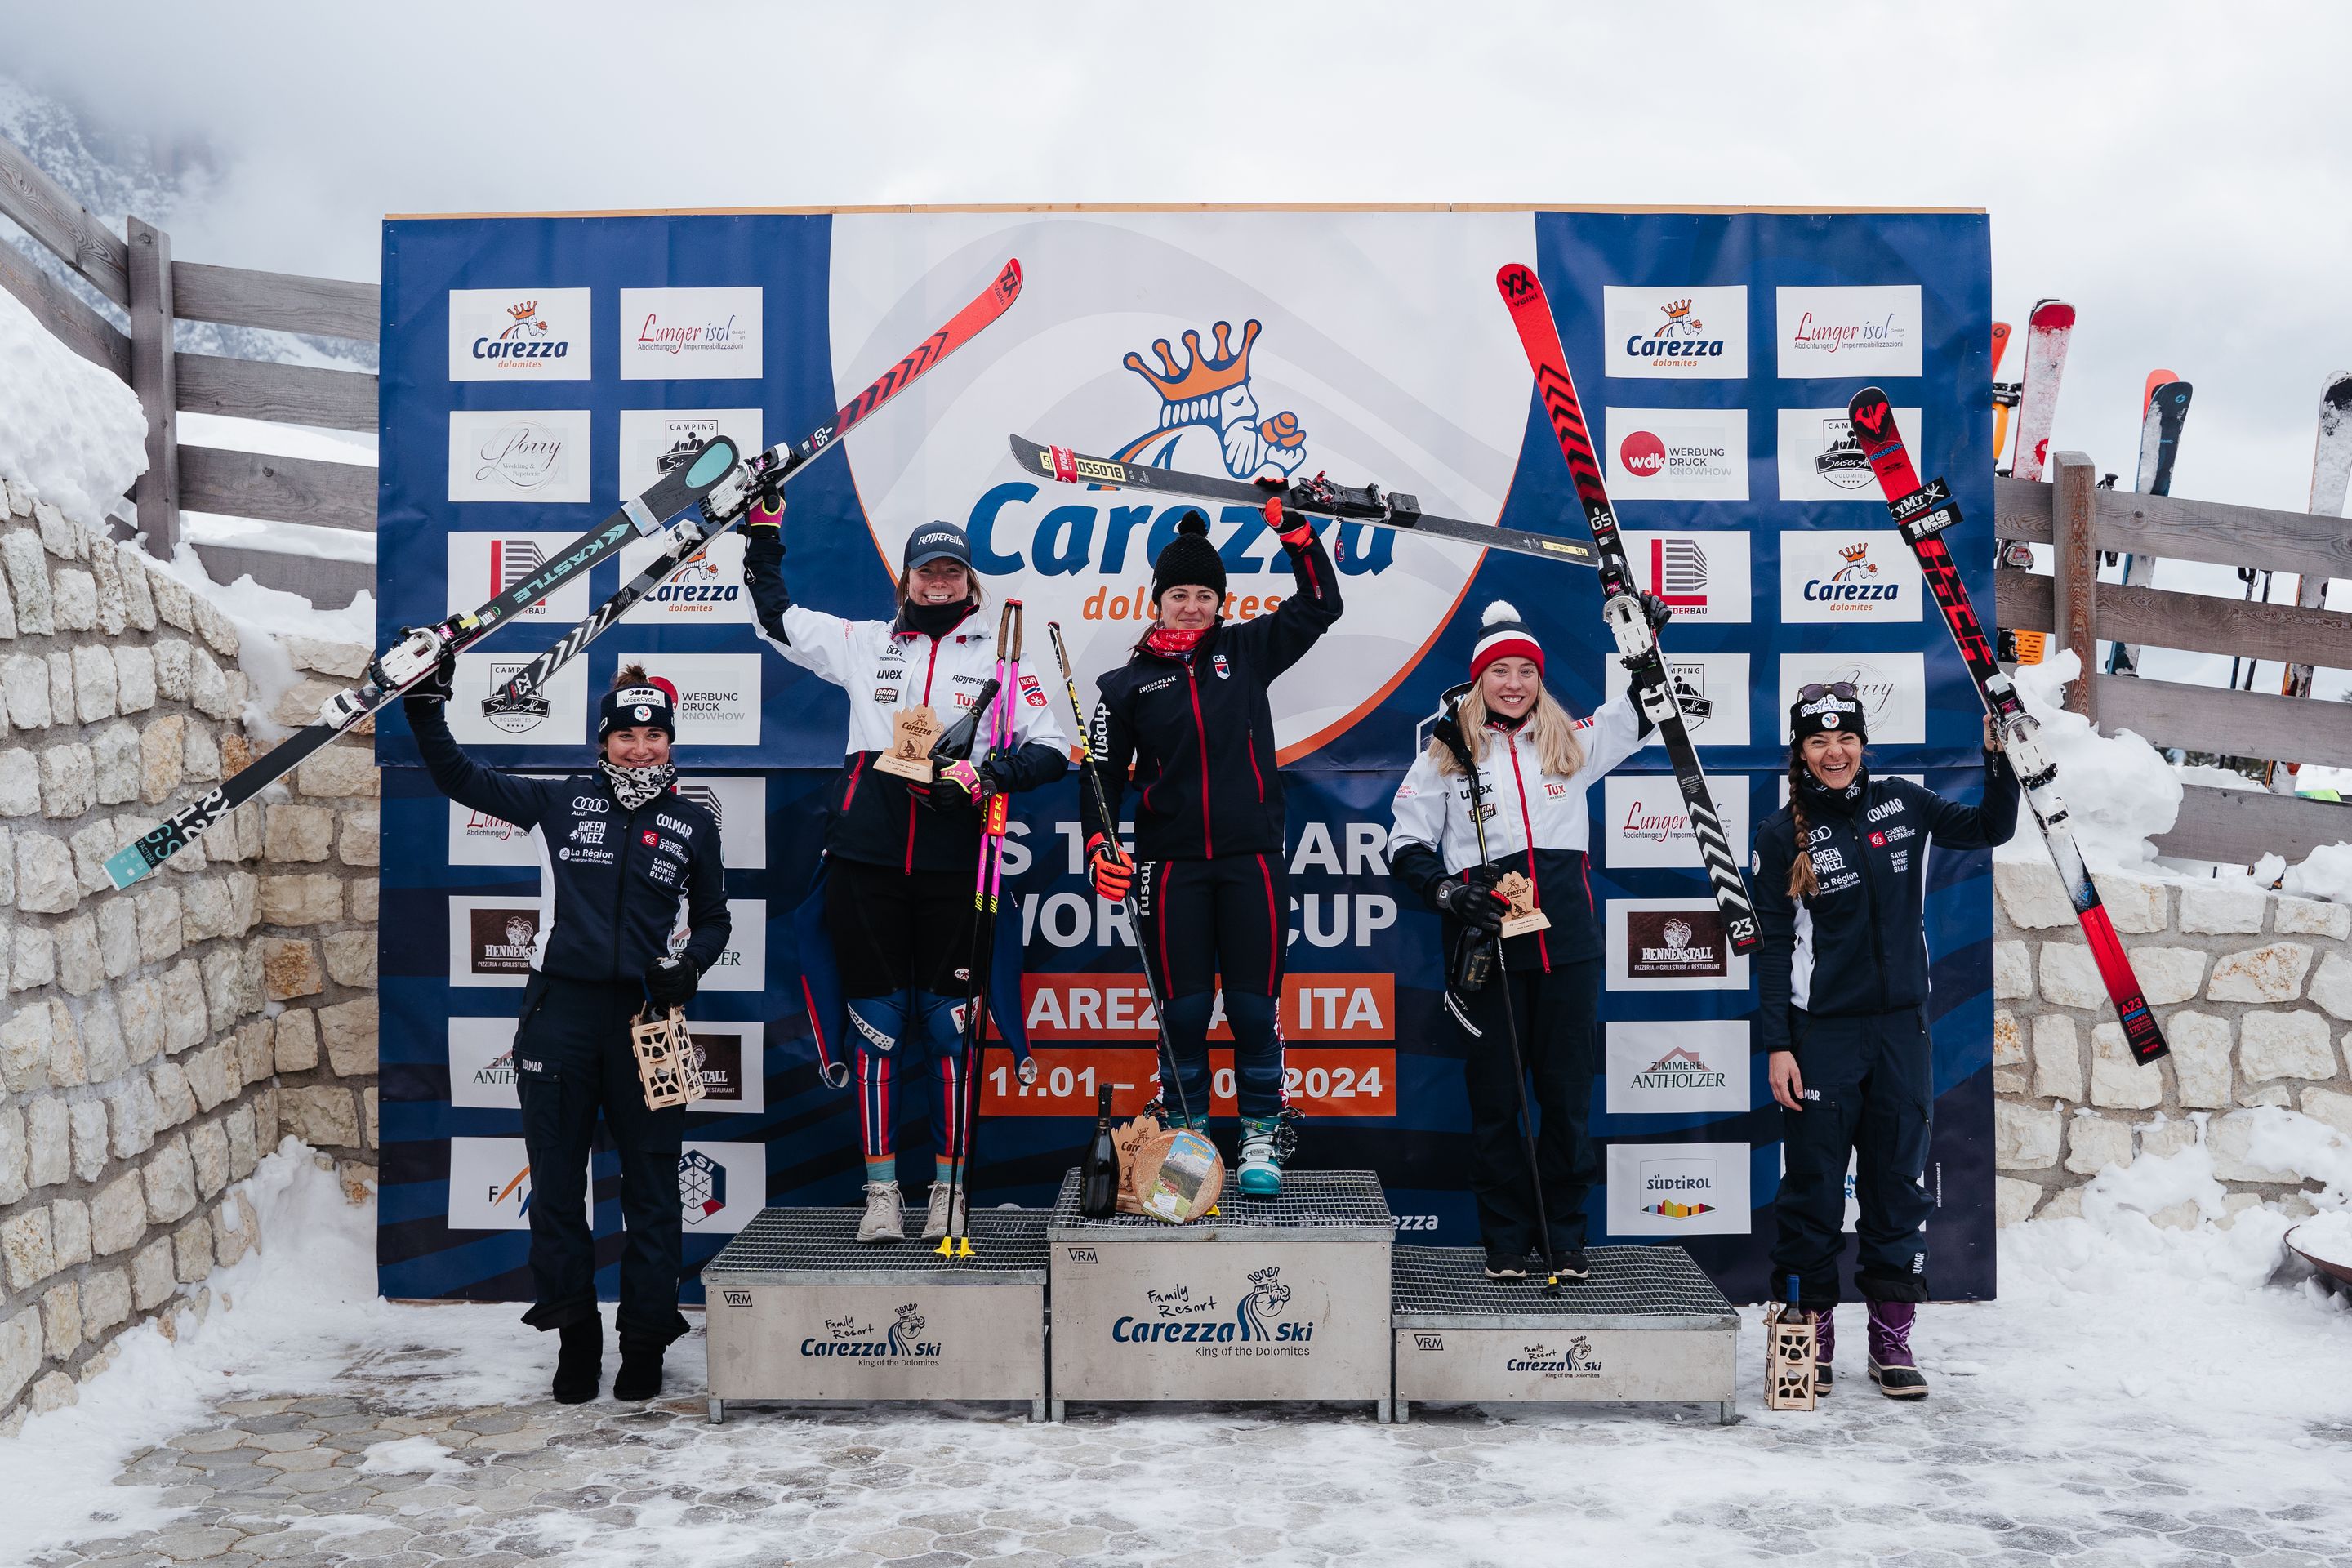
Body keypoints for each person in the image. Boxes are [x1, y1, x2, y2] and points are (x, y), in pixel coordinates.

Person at [740, 492, 1067, 1243]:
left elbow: (1052, 750)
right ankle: (882, 1194)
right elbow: (777, 618)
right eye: (928, 572)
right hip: (870, 860)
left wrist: (992, 776)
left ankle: (950, 1192)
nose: (940, 582)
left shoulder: (1000, 657)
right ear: (908, 581)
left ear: (969, 581)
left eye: (952, 571)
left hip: (958, 864)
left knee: (953, 1032)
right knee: (878, 1029)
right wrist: (763, 537)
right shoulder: (863, 643)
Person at [404, 661, 728, 1405]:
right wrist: (426, 706)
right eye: (626, 735)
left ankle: (644, 1339)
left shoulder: (694, 821)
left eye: (653, 736)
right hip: (562, 1014)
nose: (640, 748)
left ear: (670, 743)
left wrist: (692, 968)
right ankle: (576, 1334)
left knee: (654, 1187)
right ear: (604, 742)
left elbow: (714, 918)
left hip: (650, 1019)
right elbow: (460, 777)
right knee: (555, 1184)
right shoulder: (560, 801)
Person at [1753, 682, 2019, 1399]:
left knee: (1894, 1189)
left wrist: (2004, 760)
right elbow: (1774, 950)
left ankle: (1891, 1337)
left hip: (1902, 1030)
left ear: (1862, 743)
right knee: (1812, 1191)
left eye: (1845, 740)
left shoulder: (1902, 802)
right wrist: (1778, 1043)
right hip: (1821, 1039)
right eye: (1818, 742)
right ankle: (1812, 1337)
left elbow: (1990, 829)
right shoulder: (1781, 835)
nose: (1834, 753)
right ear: (1800, 753)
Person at [1388, 599, 1667, 1281]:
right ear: (1480, 679)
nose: (1513, 683)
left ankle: (1563, 1238)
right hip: (1490, 957)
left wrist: (1643, 640)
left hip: (1568, 953)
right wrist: (1449, 892)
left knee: (1568, 1103)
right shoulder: (1448, 752)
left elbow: (1640, 706)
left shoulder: (1570, 743)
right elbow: (1404, 842)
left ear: (1539, 680)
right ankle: (1507, 1240)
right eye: (1500, 671)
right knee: (1498, 1105)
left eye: (1525, 671)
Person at [1084, 502, 1343, 1195]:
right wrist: (1100, 845)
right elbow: (1102, 776)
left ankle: (1259, 1132)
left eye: (1205, 596)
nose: (1193, 607)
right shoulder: (1124, 686)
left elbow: (1322, 603)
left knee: (1256, 1009)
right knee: (1185, 1014)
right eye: (1180, 596)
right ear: (1157, 603)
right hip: (1169, 871)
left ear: (1220, 603)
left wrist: (1297, 537)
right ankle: (1189, 1137)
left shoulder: (1246, 651)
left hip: (1250, 860)